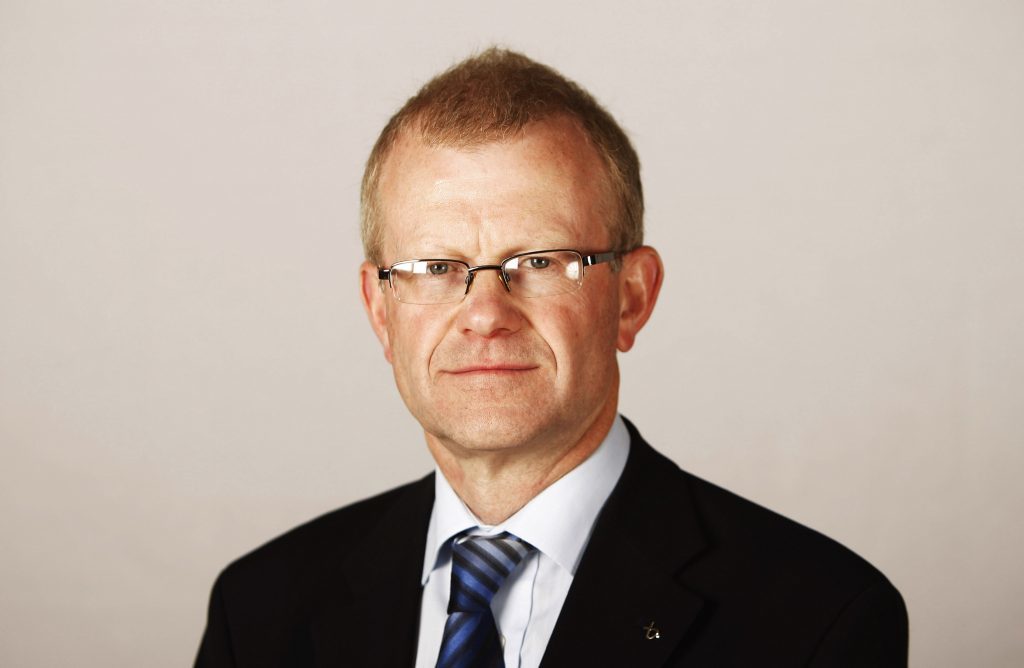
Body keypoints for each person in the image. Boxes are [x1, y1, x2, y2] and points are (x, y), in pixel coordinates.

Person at [195, 48, 908, 667]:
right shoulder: (259, 609)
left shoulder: (821, 621)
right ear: (380, 312)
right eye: (436, 267)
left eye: (538, 260)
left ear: (631, 297)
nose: (484, 314)